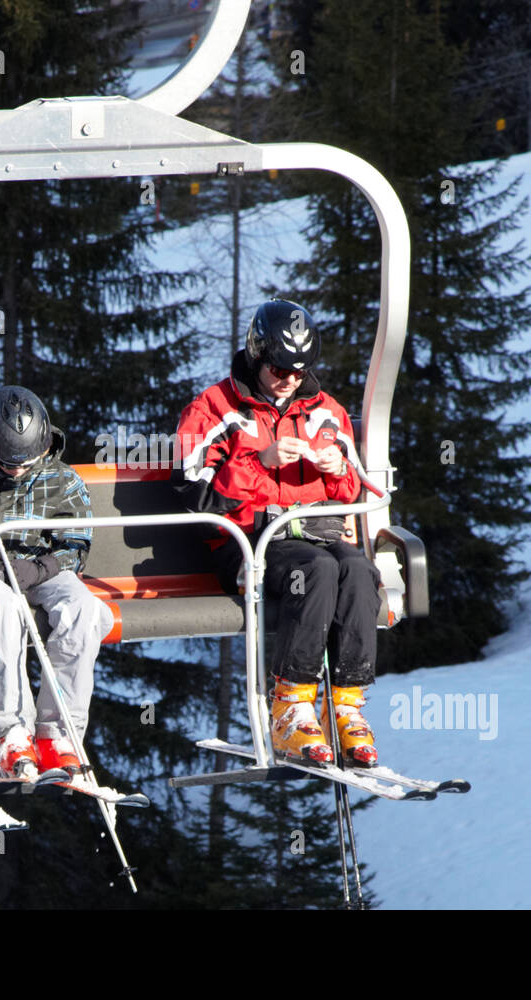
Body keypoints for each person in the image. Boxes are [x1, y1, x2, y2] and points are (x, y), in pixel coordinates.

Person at [174, 299, 383, 768]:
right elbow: (190, 490)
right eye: (278, 368)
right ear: (256, 354)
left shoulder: (325, 412)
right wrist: (258, 462)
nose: (289, 378)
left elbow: (354, 488)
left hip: (315, 533)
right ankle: (291, 705)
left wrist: (337, 471)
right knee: (318, 570)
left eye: (299, 369)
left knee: (357, 570)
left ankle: (346, 705)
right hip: (247, 544)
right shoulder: (215, 408)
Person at [0, 386, 112, 781]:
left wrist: (41, 569)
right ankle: (10, 733)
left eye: (27, 462)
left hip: (41, 570)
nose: (18, 471)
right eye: (8, 464)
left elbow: (77, 545)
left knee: (82, 609)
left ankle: (58, 734)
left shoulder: (61, 479)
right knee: (0, 608)